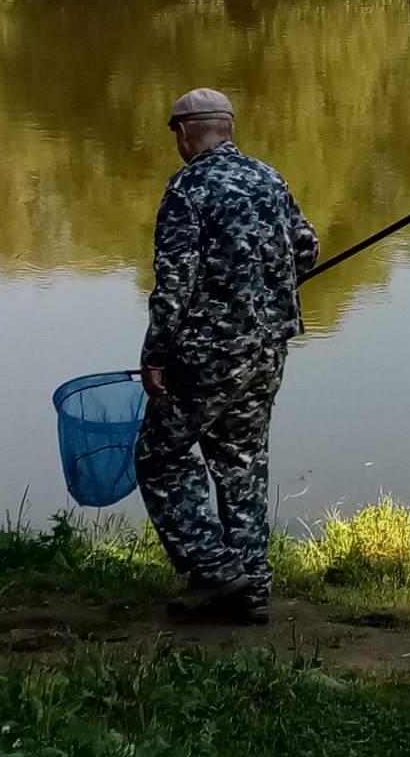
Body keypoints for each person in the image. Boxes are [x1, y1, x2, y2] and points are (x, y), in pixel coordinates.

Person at [134, 88, 318, 623]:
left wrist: (156, 354)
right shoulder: (269, 178)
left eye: (174, 132)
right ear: (228, 129)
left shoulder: (188, 188)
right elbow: (306, 248)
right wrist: (266, 282)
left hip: (207, 355)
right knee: (241, 461)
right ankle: (252, 585)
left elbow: (174, 282)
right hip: (268, 349)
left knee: (160, 457)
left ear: (187, 132)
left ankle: (216, 571)